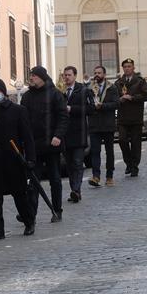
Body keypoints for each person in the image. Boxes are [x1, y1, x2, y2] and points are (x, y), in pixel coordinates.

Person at [0, 79, 37, 239]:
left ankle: (29, 221)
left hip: (14, 159)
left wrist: (31, 159)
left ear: (3, 92)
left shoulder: (18, 111)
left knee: (19, 194)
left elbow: (28, 137)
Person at [20, 66, 68, 222]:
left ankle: (57, 210)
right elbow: (23, 120)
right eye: (31, 76)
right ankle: (30, 214)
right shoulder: (27, 96)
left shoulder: (55, 95)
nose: (31, 78)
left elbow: (63, 118)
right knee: (33, 181)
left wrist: (58, 135)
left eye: (34, 76)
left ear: (42, 77)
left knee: (54, 179)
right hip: (34, 145)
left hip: (52, 144)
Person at [114, 58, 147, 177]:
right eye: (125, 67)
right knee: (122, 140)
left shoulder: (139, 81)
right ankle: (128, 162)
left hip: (135, 117)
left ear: (133, 68)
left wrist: (133, 98)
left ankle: (134, 166)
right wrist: (119, 99)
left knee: (136, 143)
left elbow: (146, 96)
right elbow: (113, 96)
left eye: (129, 66)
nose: (127, 68)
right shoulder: (119, 82)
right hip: (122, 117)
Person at [62, 66, 91, 203]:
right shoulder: (61, 92)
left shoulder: (83, 90)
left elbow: (90, 109)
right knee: (69, 165)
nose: (66, 77)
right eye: (65, 75)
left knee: (78, 162)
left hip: (79, 132)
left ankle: (76, 190)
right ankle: (74, 190)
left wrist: (71, 109)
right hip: (65, 134)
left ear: (75, 76)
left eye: (69, 75)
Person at [87, 65, 120, 187]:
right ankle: (96, 176)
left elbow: (116, 104)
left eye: (99, 73)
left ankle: (109, 176)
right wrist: (93, 107)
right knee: (95, 152)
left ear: (104, 75)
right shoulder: (89, 88)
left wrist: (103, 106)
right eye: (95, 72)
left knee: (109, 151)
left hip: (108, 124)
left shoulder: (112, 88)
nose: (97, 75)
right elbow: (87, 105)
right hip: (94, 125)